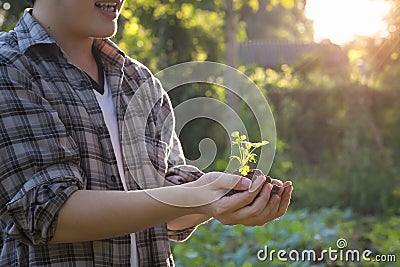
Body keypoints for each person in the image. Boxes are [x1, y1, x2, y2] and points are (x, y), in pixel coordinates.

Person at [0, 0, 293, 266]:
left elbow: (167, 213)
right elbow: (46, 212)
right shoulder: (10, 68)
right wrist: (196, 196)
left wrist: (217, 201)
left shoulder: (140, 81)